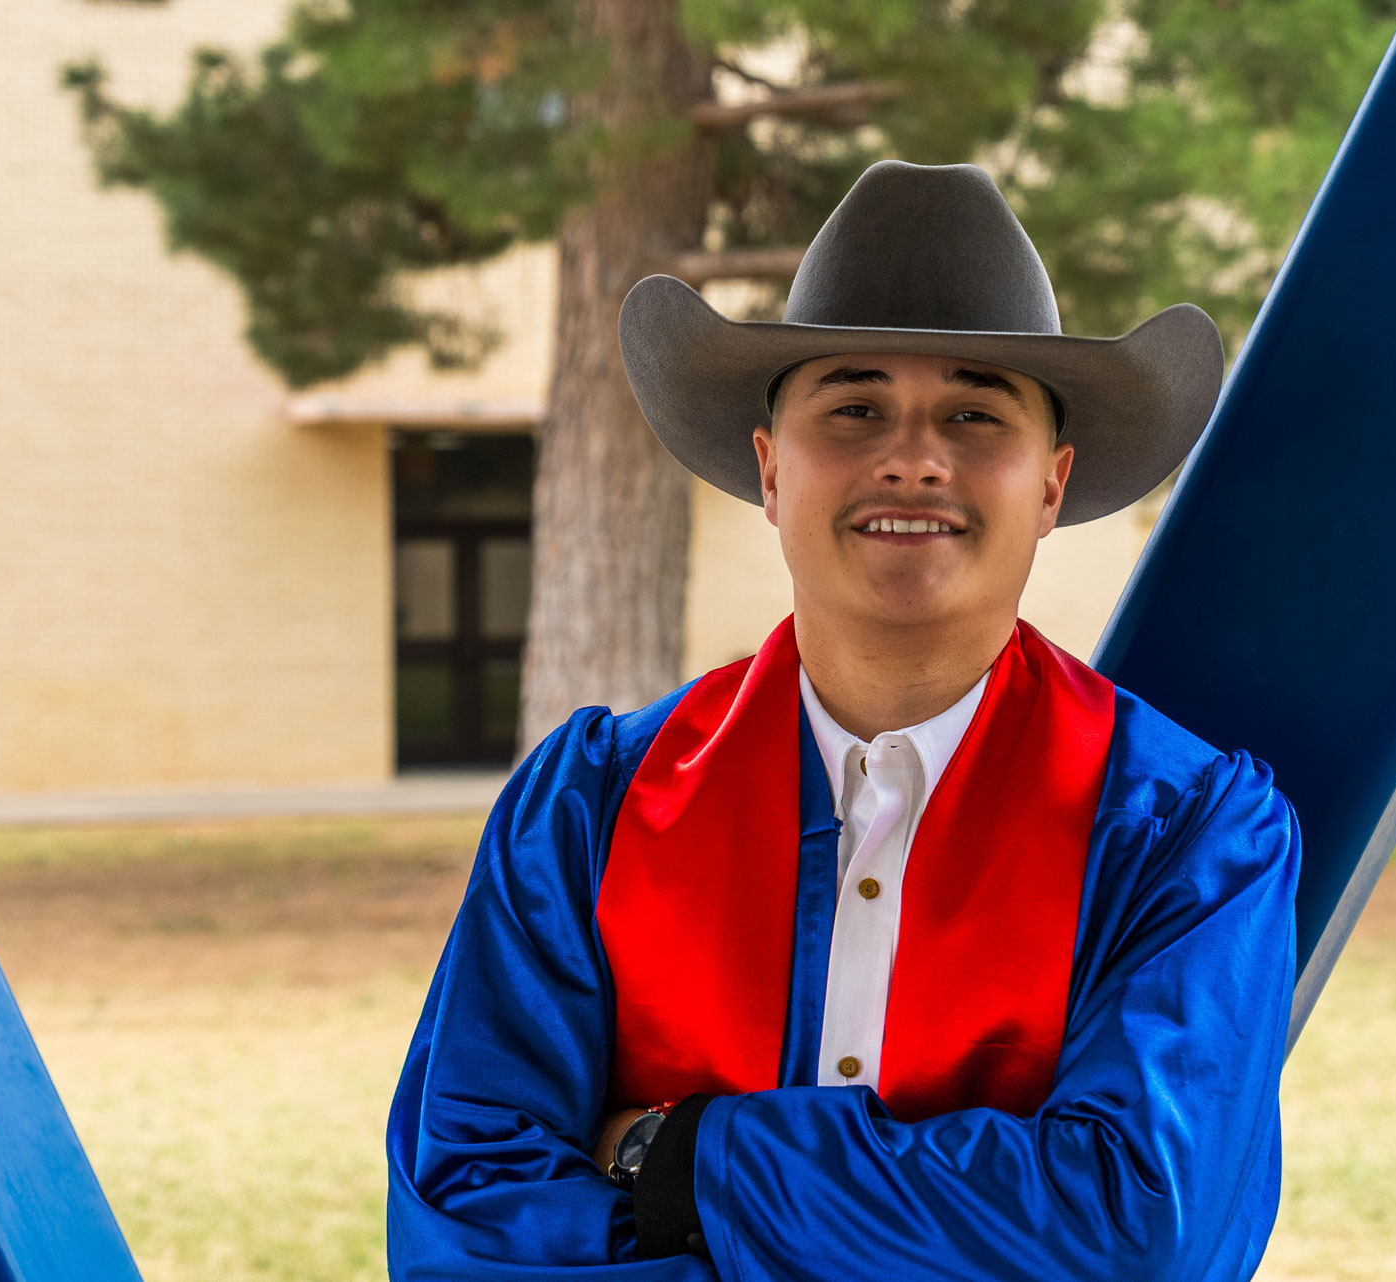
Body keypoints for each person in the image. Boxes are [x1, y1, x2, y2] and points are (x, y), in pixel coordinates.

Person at [385, 160, 1301, 1281]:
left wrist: (676, 1155)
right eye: (855, 408)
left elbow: (1139, 1232)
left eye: (974, 413)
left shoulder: (1189, 832)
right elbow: (471, 1219)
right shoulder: (587, 808)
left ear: (1052, 484)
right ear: (770, 471)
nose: (913, 457)